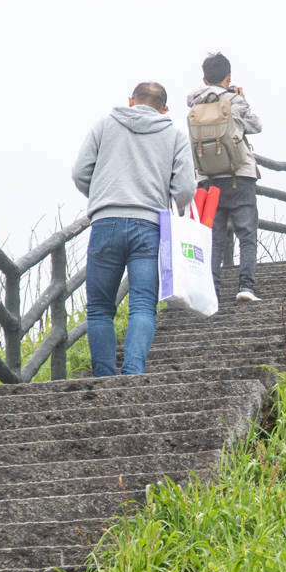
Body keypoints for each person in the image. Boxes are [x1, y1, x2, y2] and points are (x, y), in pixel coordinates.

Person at [71, 81, 194, 376]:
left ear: (131, 100)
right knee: (142, 305)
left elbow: (79, 173)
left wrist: (104, 197)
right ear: (164, 108)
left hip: (105, 223)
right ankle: (133, 374)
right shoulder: (174, 134)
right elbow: (185, 189)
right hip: (148, 226)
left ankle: (103, 377)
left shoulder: (104, 125)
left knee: (100, 308)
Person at [186, 52, 264, 304]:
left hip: (207, 179)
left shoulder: (195, 105)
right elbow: (255, 125)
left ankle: (213, 291)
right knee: (247, 234)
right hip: (239, 175)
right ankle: (246, 286)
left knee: (213, 238)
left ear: (204, 78)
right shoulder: (234, 101)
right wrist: (241, 98)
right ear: (228, 77)